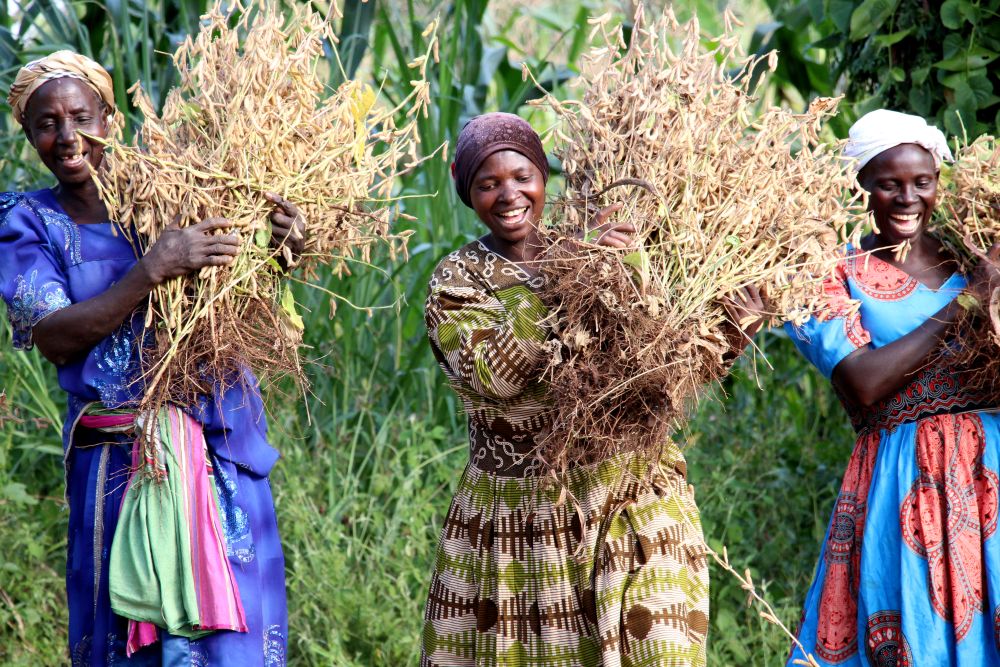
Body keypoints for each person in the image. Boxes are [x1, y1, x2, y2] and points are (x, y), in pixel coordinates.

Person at [420, 112, 763, 666]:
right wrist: (576, 268)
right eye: (488, 184)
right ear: (469, 195)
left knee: (663, 652)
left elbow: (662, 372)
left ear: (544, 178)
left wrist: (733, 334)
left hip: (633, 494)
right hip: (525, 513)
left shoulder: (605, 248)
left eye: (522, 176)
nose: (509, 195)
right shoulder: (458, 280)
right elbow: (496, 374)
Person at [0, 51, 303, 665]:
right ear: (28, 134)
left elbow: (228, 297)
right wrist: (151, 269)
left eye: (80, 117)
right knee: (124, 637)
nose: (66, 137)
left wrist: (279, 252)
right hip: (117, 461)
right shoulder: (28, 223)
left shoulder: (175, 193)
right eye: (46, 123)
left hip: (212, 450)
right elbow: (56, 336)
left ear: (110, 118)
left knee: (232, 642)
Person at [785, 109, 1000, 666]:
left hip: (989, 474)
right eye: (889, 184)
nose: (908, 198)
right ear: (860, 188)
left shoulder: (972, 254)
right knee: (912, 628)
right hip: (901, 479)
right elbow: (863, 382)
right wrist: (969, 303)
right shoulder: (831, 274)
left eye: (921, 183)